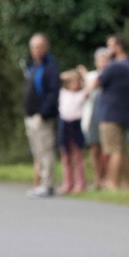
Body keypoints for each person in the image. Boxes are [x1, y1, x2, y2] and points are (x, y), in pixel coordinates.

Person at [89, 34, 129, 191]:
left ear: (118, 47)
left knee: (113, 150)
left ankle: (111, 182)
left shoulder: (114, 66)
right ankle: (126, 183)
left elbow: (96, 82)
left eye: (110, 46)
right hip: (123, 113)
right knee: (121, 149)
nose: (108, 49)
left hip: (109, 114)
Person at [23, 33, 60, 198]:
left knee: (46, 151)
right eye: (34, 47)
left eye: (39, 47)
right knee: (37, 152)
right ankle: (40, 183)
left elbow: (53, 92)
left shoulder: (49, 66)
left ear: (45, 48)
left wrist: (43, 113)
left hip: (42, 117)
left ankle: (48, 185)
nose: (36, 50)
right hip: (30, 115)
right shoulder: (32, 66)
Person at [79, 47, 111, 188]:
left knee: (108, 150)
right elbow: (84, 94)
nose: (103, 62)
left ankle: (108, 178)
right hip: (92, 117)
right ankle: (97, 179)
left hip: (108, 117)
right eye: (100, 59)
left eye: (105, 59)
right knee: (95, 149)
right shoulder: (91, 76)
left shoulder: (112, 75)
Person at [57, 70, 88, 194]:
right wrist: (71, 75)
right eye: (72, 82)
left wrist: (82, 75)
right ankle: (67, 183)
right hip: (64, 125)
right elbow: (58, 78)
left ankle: (80, 183)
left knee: (78, 156)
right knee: (66, 157)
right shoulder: (63, 93)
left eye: (76, 82)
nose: (74, 84)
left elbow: (90, 85)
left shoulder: (81, 94)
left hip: (76, 125)